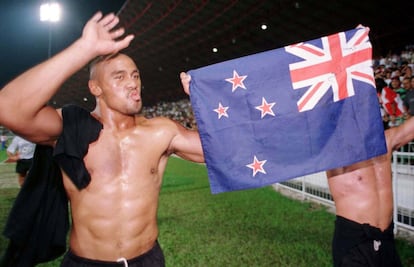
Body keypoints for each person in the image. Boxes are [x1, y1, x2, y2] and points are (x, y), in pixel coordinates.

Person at [0, 12, 204, 266]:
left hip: (147, 259)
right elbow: (8, 108)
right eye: (119, 77)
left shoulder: (161, 131)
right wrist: (84, 49)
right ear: (96, 88)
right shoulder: (70, 128)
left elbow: (218, 152)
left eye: (135, 75)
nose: (132, 83)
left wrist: (205, 101)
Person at [325, 116, 414, 266]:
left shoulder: (384, 141)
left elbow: (409, 130)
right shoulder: (335, 151)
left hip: (386, 239)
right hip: (354, 241)